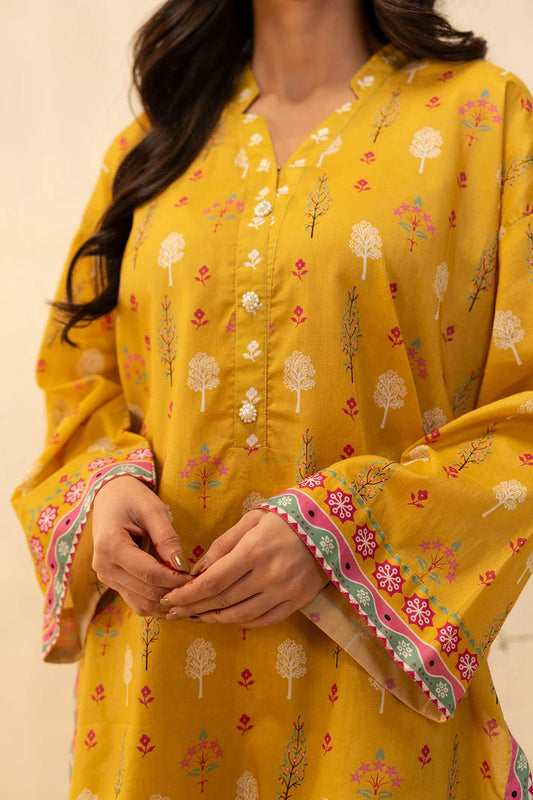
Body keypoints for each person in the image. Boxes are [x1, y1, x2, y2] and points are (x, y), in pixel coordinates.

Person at [12, 0, 533, 797]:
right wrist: (103, 494)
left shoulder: (484, 120)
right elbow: (80, 382)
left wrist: (344, 532)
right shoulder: (156, 142)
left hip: (370, 708)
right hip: (157, 685)